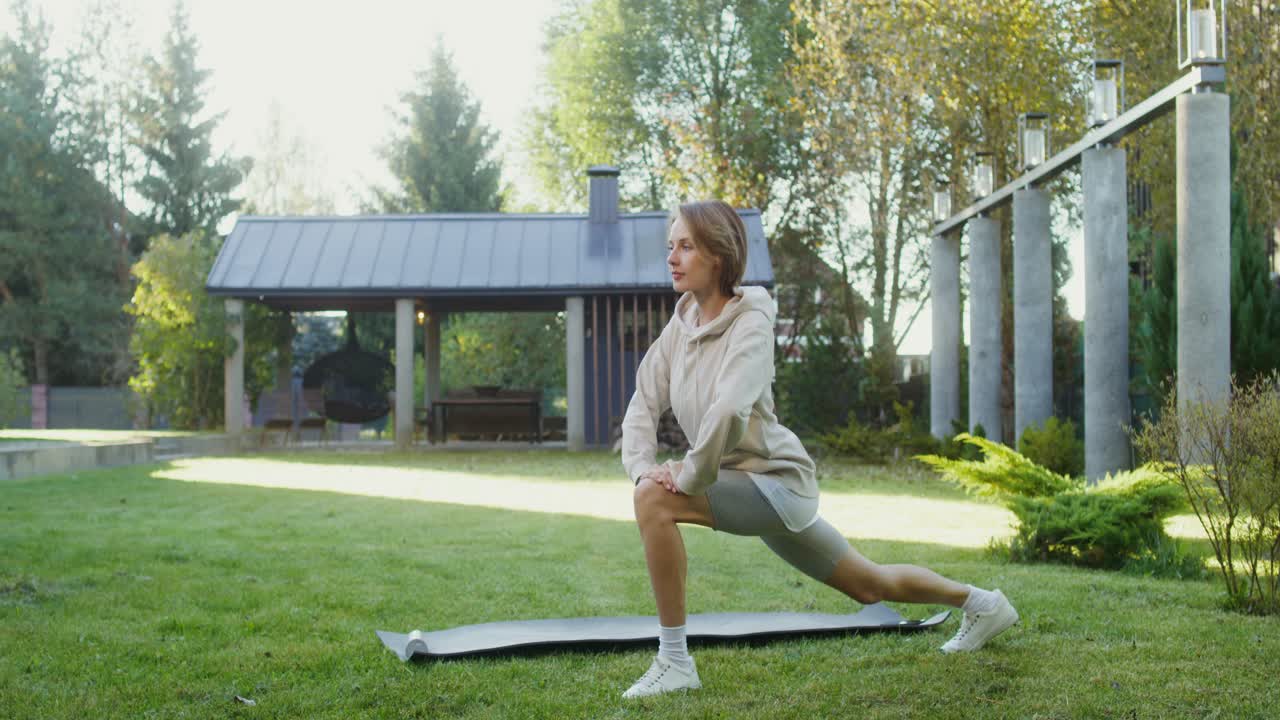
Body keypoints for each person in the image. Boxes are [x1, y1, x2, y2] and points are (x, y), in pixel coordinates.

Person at [619, 200, 1019, 699]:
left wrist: (686, 476)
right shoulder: (680, 327)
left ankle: (675, 662)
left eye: (685, 246)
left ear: (718, 255)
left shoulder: (750, 321)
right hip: (740, 485)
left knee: (655, 501)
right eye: (670, 246)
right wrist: (643, 468)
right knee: (868, 585)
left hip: (775, 485)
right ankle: (983, 603)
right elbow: (643, 401)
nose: (672, 257)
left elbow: (730, 410)